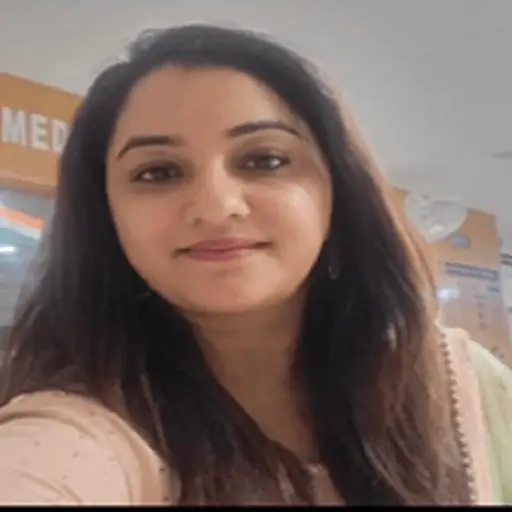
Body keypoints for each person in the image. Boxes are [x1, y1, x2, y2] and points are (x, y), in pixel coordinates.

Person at [0, 24, 509, 506]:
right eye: (158, 172)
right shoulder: (78, 436)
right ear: (105, 214)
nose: (216, 206)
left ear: (337, 191)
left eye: (265, 160)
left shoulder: (467, 390)